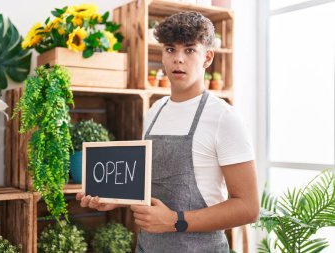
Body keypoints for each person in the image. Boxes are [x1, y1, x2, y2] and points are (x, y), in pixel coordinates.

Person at [76, 11, 259, 253]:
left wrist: (175, 220)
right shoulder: (155, 110)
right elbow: (150, 183)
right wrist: (115, 199)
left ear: (208, 58)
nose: (178, 59)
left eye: (190, 50)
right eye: (171, 49)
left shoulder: (224, 118)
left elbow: (248, 207)